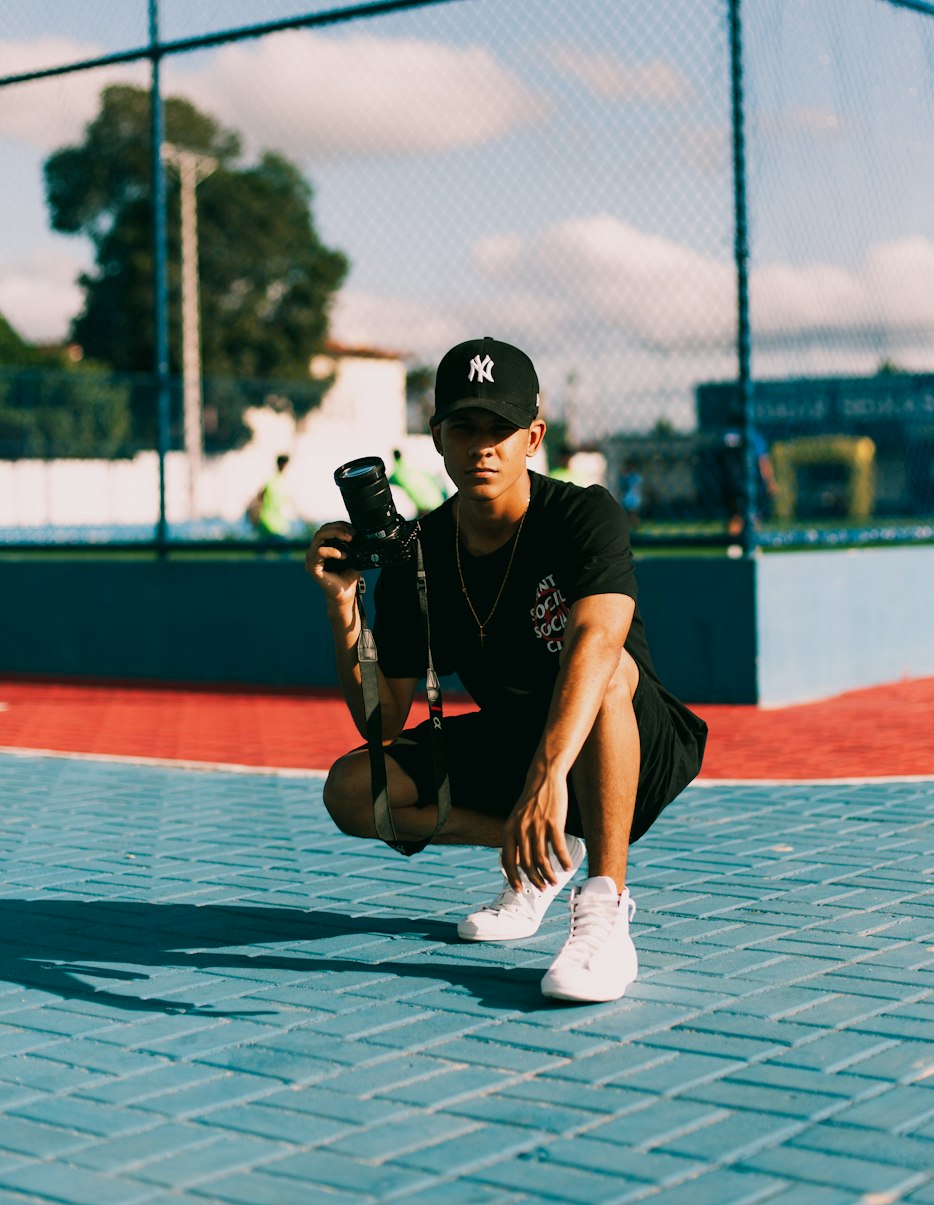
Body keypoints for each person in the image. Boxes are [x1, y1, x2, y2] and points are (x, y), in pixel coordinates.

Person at [306, 336, 707, 1003]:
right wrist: (343, 605)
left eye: (501, 428)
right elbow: (381, 719)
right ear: (437, 437)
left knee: (606, 672)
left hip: (629, 740)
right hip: (521, 747)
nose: (482, 446)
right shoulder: (420, 554)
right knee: (354, 789)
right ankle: (547, 861)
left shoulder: (584, 516)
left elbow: (600, 640)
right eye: (465, 426)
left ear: (534, 437)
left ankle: (606, 912)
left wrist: (548, 776)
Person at [251, 454, 302, 539]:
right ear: (284, 465)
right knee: (283, 548)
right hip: (275, 524)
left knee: (264, 549)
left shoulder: (273, 481)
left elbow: (259, 498)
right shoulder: (278, 482)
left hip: (269, 523)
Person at [388, 447, 447, 516]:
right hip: (438, 501)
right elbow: (434, 478)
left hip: (425, 507)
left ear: (394, 458)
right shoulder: (415, 468)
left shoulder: (397, 474)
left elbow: (386, 481)